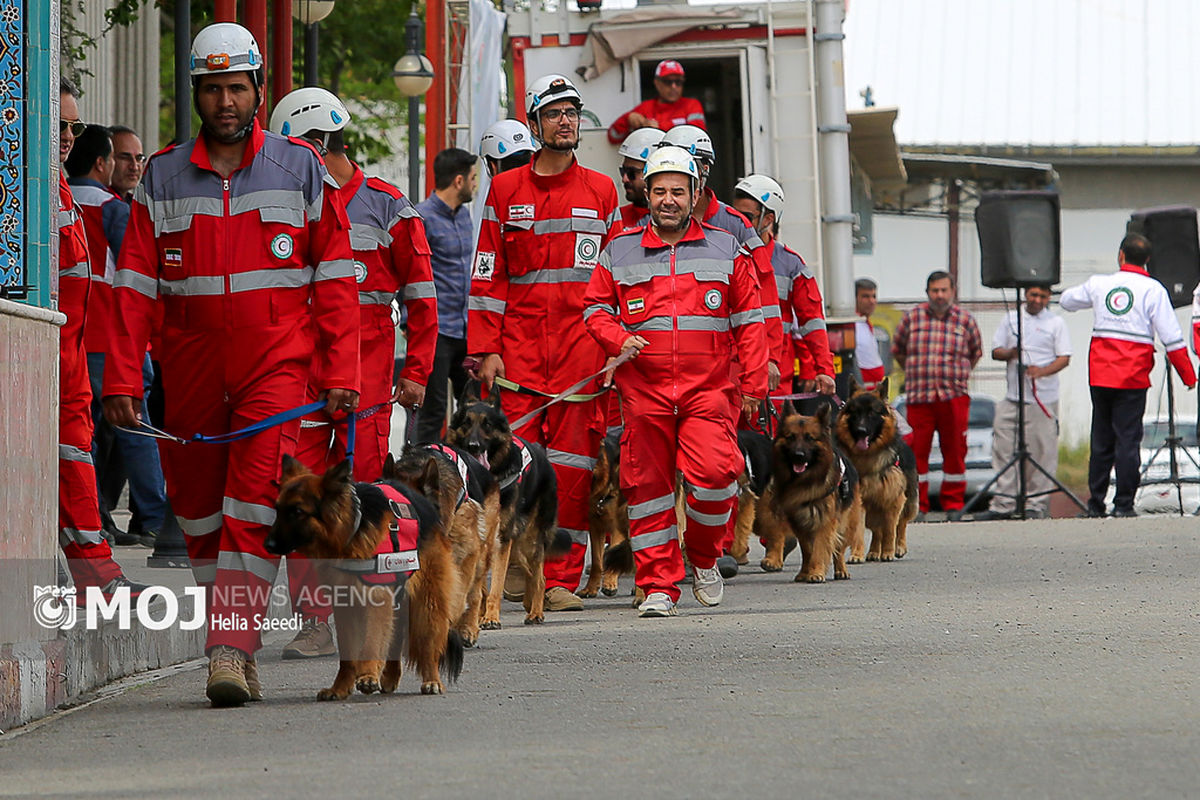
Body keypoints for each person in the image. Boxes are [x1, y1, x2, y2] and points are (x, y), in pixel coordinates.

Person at [103, 23, 359, 707]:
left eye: (236, 88)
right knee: (198, 515)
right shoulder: (160, 175)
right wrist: (124, 377)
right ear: (196, 94)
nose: (225, 101)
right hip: (187, 369)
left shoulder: (299, 168)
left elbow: (335, 280)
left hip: (277, 367)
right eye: (212, 89)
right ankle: (237, 645)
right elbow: (134, 288)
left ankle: (228, 645)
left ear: (257, 90)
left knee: (251, 504)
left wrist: (342, 375)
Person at [268, 86, 437, 657]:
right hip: (300, 379)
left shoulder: (388, 205)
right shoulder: (287, 201)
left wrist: (416, 370)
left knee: (358, 502)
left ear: (315, 144)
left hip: (362, 385)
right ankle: (316, 619)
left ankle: (369, 614)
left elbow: (421, 296)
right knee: (300, 498)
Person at [582, 146, 767, 617]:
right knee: (648, 492)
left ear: (695, 194)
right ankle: (659, 585)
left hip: (710, 391)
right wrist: (618, 338)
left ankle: (703, 557)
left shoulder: (728, 248)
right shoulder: (619, 249)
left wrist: (754, 386)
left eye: (677, 191)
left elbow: (750, 321)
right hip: (644, 392)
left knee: (717, 477)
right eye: (659, 190)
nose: (668, 199)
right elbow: (594, 308)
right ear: (646, 192)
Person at [469, 73, 620, 612]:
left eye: (571, 112)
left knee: (574, 469)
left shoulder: (602, 192)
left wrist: (613, 349)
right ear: (534, 124)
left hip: (583, 354)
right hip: (519, 356)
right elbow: (488, 275)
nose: (565, 121)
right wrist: (487, 347)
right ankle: (508, 568)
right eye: (553, 112)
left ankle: (556, 577)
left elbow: (616, 280)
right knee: (513, 468)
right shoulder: (505, 191)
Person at [56, 79, 146, 600]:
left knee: (82, 453)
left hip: (71, 355)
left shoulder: (60, 188)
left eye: (75, 126)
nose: (69, 136)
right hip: (50, 355)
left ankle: (97, 570)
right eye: (61, 125)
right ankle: (96, 571)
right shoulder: (24, 190)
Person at [66, 125, 169, 548]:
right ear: (102, 162)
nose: (128, 167)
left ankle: (97, 514)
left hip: (72, 334)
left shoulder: (59, 199)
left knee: (82, 435)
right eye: (120, 158)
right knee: (135, 428)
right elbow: (140, 271)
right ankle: (155, 517)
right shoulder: (113, 208)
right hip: (113, 337)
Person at [1062, 233, 1196, 518]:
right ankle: (1123, 504)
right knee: (1127, 441)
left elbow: (1067, 301)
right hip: (1132, 377)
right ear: (1147, 260)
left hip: (1100, 375)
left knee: (1100, 441)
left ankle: (1095, 504)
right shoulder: (1153, 289)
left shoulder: (1099, 284)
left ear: (1120, 255)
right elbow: (1172, 339)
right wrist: (1188, 376)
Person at [661, 125, 784, 392]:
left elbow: (764, 292)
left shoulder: (736, 225)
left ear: (704, 169)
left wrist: (770, 357)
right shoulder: (652, 224)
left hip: (727, 363)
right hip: (665, 365)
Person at [731, 174, 835, 403]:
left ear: (768, 219)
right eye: (733, 214)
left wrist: (823, 368)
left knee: (767, 439)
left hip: (772, 378)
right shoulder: (719, 253)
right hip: (725, 375)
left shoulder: (790, 265)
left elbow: (812, 321)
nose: (737, 222)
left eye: (746, 217)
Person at [974, 285, 1072, 521]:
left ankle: (1035, 503)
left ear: (1048, 298)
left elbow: (1064, 358)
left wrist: (1042, 371)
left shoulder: (1055, 323)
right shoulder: (1011, 319)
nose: (1037, 300)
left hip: (1042, 399)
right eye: (1033, 295)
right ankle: (1004, 503)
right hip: (1012, 397)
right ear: (1026, 295)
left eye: (1042, 296)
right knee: (1003, 449)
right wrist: (1011, 353)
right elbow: (996, 351)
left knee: (1041, 451)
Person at [893, 270, 983, 517]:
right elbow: (898, 350)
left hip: (953, 398)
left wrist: (955, 376)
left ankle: (953, 505)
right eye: (935, 291)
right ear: (927, 292)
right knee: (917, 452)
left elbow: (975, 353)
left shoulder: (965, 320)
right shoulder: (912, 318)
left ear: (953, 291)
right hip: (919, 397)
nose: (940, 295)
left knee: (955, 452)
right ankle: (917, 505)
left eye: (944, 290)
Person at [413, 148, 476, 445]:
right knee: (433, 410)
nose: (476, 185)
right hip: (436, 332)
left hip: (466, 332)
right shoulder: (421, 218)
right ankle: (415, 476)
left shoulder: (466, 217)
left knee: (470, 411)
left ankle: (463, 474)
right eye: (474, 178)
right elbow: (411, 274)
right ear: (459, 181)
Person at [607, 59, 706, 145]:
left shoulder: (691, 105)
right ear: (657, 83)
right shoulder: (646, 107)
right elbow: (613, 136)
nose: (674, 87)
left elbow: (697, 136)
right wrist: (628, 120)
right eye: (668, 82)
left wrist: (658, 127)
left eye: (678, 82)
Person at [616, 127, 665, 229]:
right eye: (623, 171)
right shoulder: (617, 218)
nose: (624, 179)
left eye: (631, 173)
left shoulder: (677, 221)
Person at [854, 278, 886, 389]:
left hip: (875, 388)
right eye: (865, 296)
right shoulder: (853, 325)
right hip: (864, 390)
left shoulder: (865, 323)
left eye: (874, 296)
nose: (872, 301)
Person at [107, 125, 144, 202]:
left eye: (139, 158)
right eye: (125, 158)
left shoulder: (137, 205)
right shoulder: (97, 205)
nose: (134, 167)